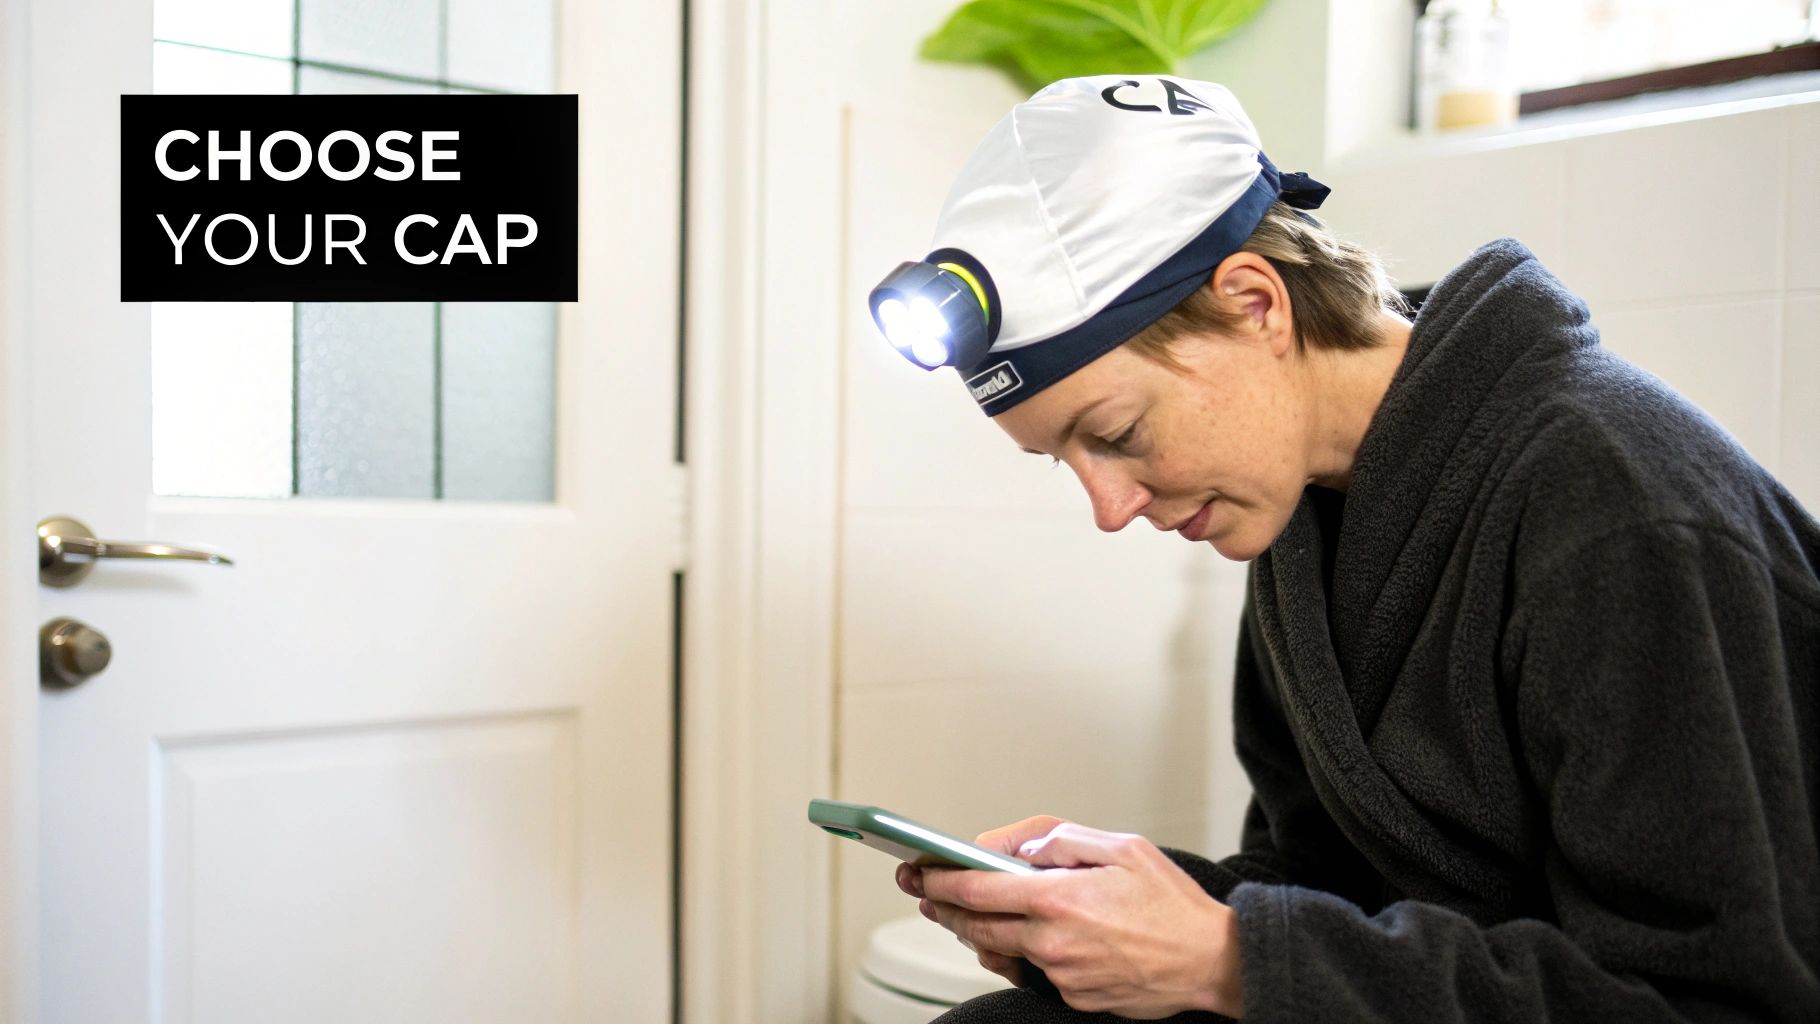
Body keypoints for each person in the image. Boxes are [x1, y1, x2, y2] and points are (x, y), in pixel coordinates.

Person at [864, 75, 1819, 1022]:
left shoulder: (1619, 512)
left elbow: (1714, 1002)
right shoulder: (1302, 513)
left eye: (1113, 432)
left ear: (1254, 304)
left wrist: (1231, 961)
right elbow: (1325, 887)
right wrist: (1110, 913)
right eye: (1060, 460)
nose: (1110, 508)